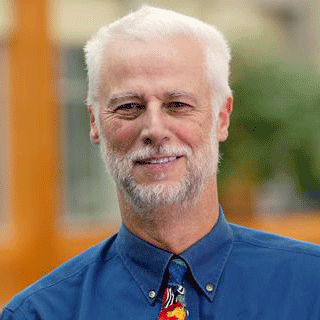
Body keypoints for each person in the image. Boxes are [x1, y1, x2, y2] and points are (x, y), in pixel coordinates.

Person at [1, 5, 320, 320]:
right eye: (129, 106)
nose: (154, 129)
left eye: (178, 104)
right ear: (94, 122)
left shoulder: (311, 288)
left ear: (222, 117)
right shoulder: (40, 313)